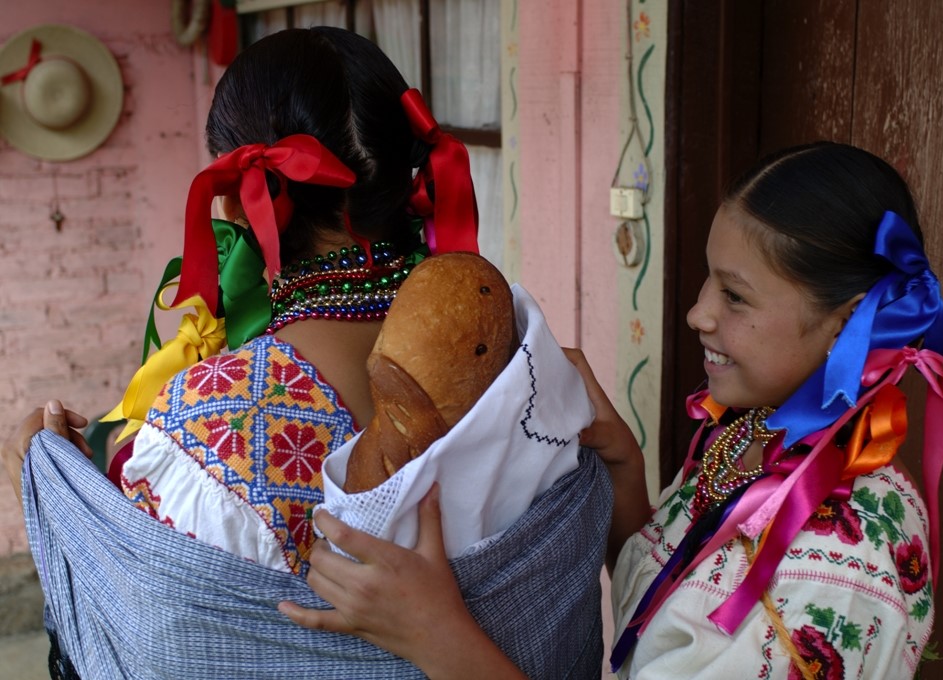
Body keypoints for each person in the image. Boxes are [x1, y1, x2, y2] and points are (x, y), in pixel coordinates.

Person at [2, 26, 611, 680]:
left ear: (238, 202)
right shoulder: (525, 364)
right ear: (411, 177)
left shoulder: (211, 421)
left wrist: (48, 490)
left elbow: (142, 635)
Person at [278, 141, 943, 679]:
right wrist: (624, 464)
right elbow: (666, 608)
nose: (698, 312)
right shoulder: (757, 438)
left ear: (849, 324)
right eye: (708, 278)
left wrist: (434, 635)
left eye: (736, 296)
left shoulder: (845, 561)